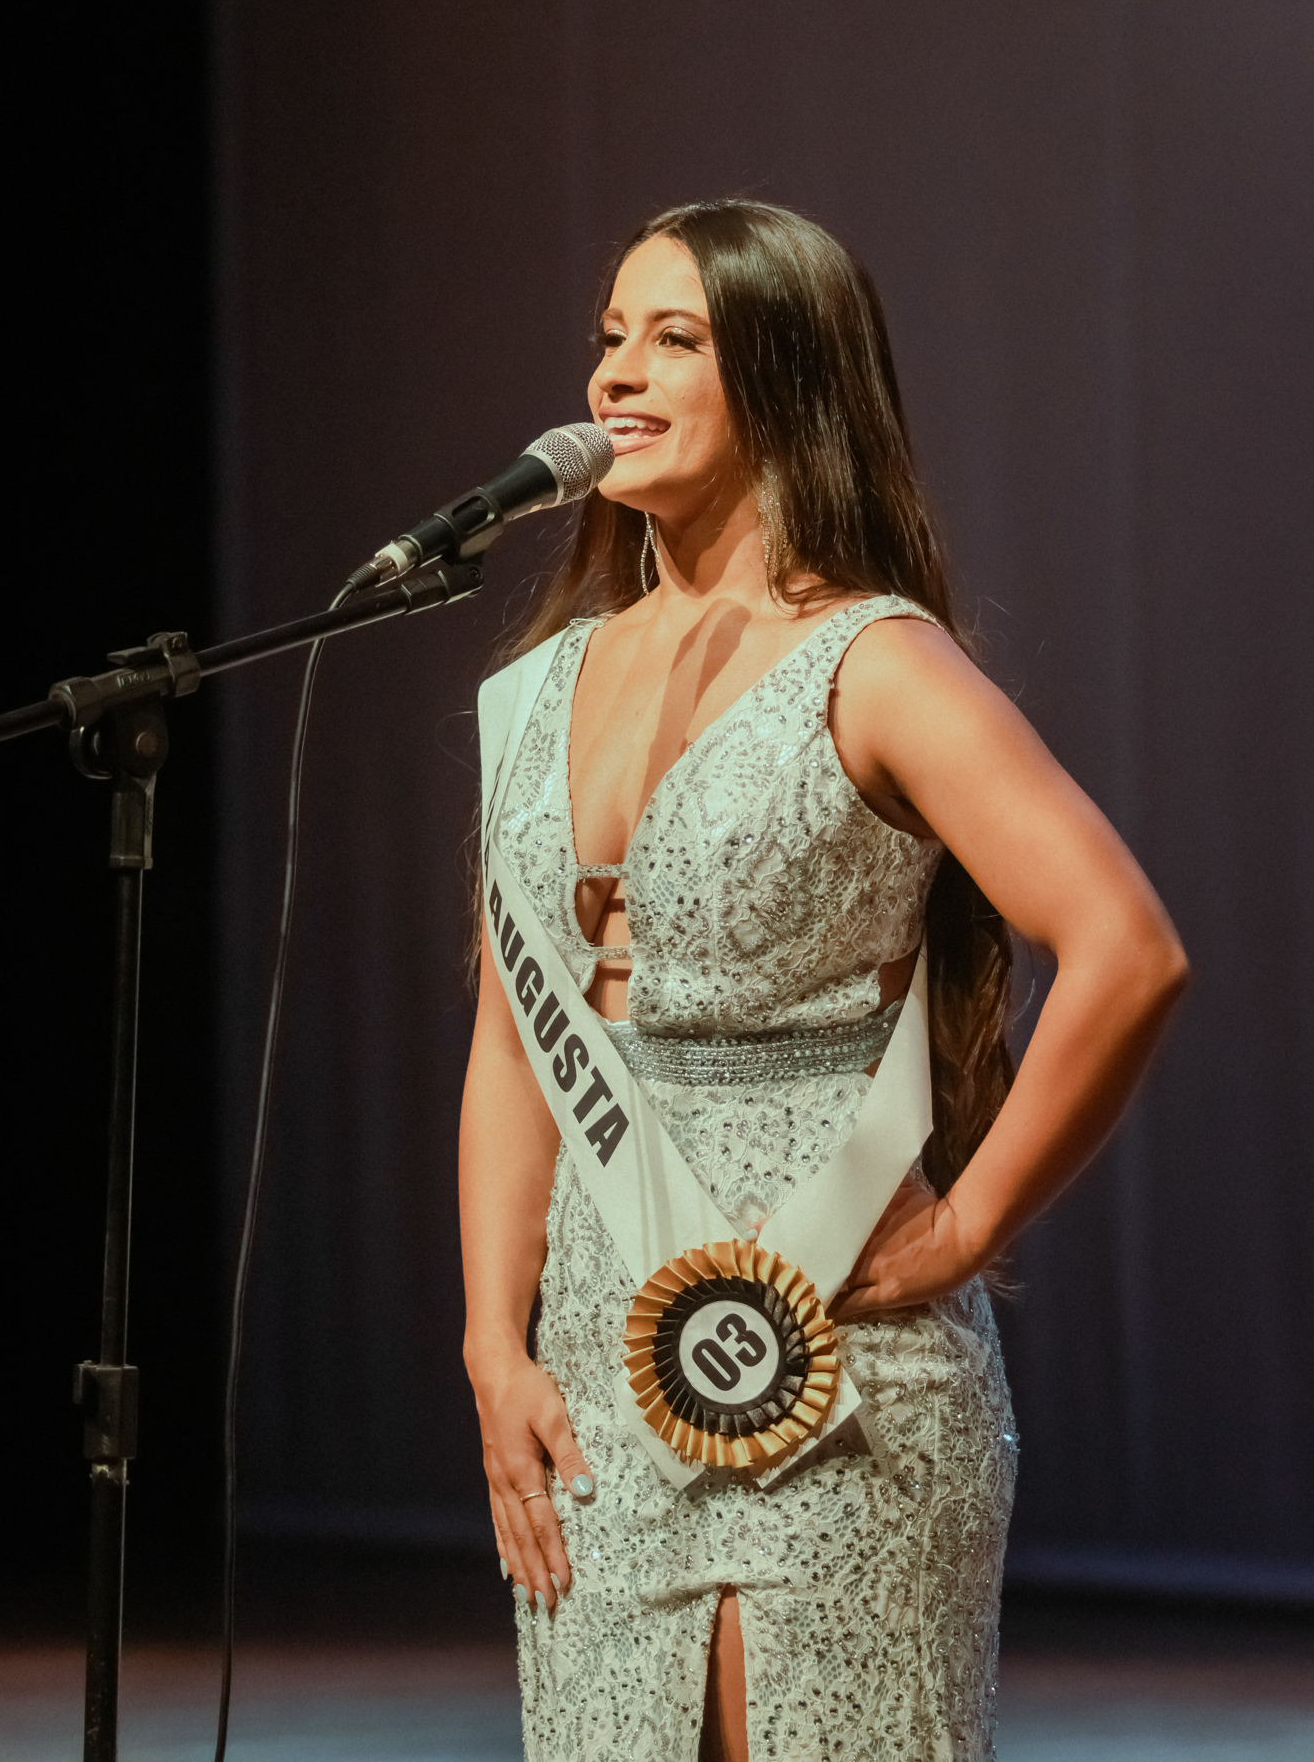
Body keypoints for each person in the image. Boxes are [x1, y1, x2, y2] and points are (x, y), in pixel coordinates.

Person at [458, 199, 1188, 1762]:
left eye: (673, 339)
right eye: (607, 337)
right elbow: (513, 1039)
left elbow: (1126, 949)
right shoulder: (537, 689)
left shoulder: (876, 663)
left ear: (786, 380)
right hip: (600, 1361)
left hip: (837, 1349)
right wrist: (490, 1344)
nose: (613, 376)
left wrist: (969, 1225)